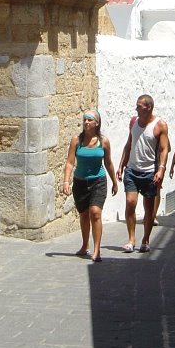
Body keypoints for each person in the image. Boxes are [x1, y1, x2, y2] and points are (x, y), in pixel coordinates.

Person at [62, 109, 118, 262]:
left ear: (96, 123)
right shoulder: (76, 140)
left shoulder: (103, 141)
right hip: (80, 182)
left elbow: (108, 163)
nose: (86, 122)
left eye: (89, 120)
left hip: (98, 181)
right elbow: (70, 162)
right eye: (84, 119)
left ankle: (97, 249)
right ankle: (85, 245)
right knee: (84, 215)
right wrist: (66, 181)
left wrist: (114, 181)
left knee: (95, 213)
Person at [117, 94, 170, 254]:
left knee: (148, 209)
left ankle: (145, 240)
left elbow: (164, 149)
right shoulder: (133, 122)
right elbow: (129, 144)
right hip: (132, 170)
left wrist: (161, 169)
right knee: (130, 202)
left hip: (149, 173)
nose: (136, 109)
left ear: (148, 107)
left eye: (139, 106)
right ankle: (131, 239)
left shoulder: (160, 125)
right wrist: (121, 165)